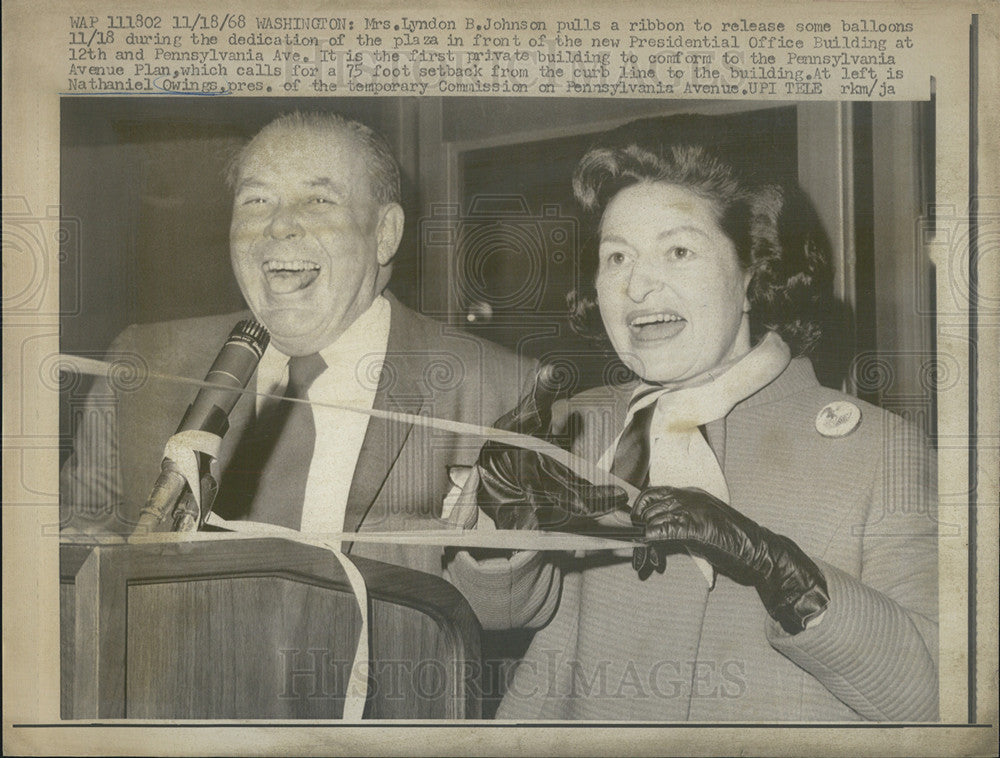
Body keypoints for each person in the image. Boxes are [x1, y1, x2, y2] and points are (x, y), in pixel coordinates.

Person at [447, 122, 938, 721]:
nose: (637, 283)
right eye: (616, 256)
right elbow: (494, 620)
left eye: (678, 250)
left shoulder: (882, 451)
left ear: (754, 272)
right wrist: (501, 536)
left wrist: (780, 571)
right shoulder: (576, 428)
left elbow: (934, 697)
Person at [60, 111, 527, 576]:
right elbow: (77, 553)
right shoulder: (141, 366)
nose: (279, 226)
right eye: (256, 200)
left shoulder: (499, 391)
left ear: (384, 234)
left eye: (319, 200)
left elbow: (516, 618)